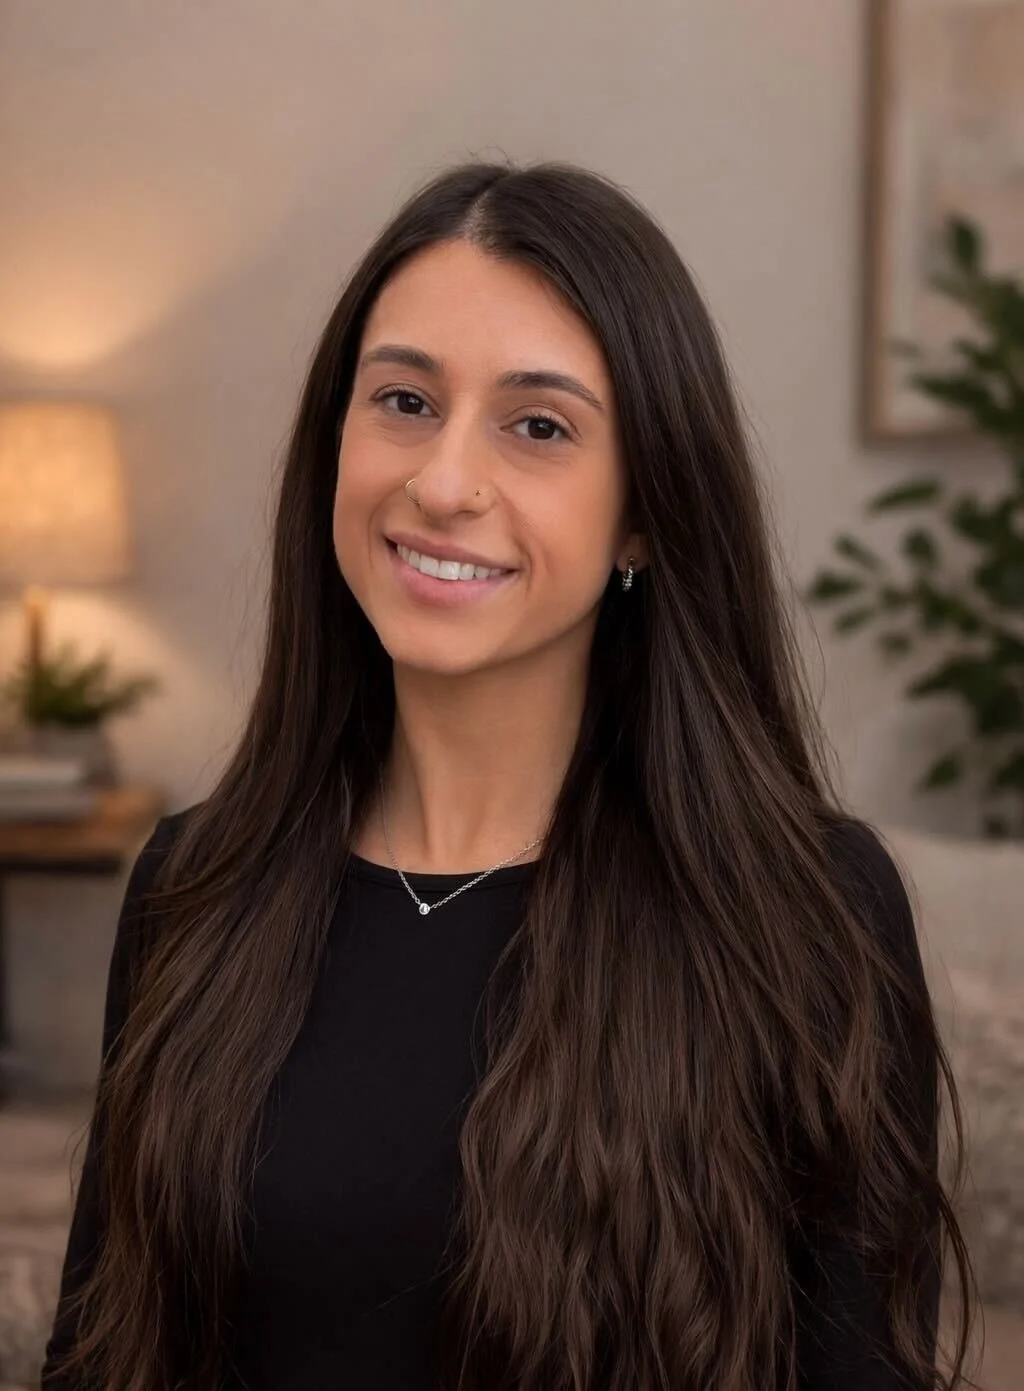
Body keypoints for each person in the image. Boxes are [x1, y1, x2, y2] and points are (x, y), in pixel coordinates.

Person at [42, 159, 974, 1391]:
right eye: (404, 400)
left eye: (538, 426)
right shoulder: (194, 883)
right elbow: (102, 1354)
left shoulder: (803, 908)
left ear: (643, 513)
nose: (442, 483)